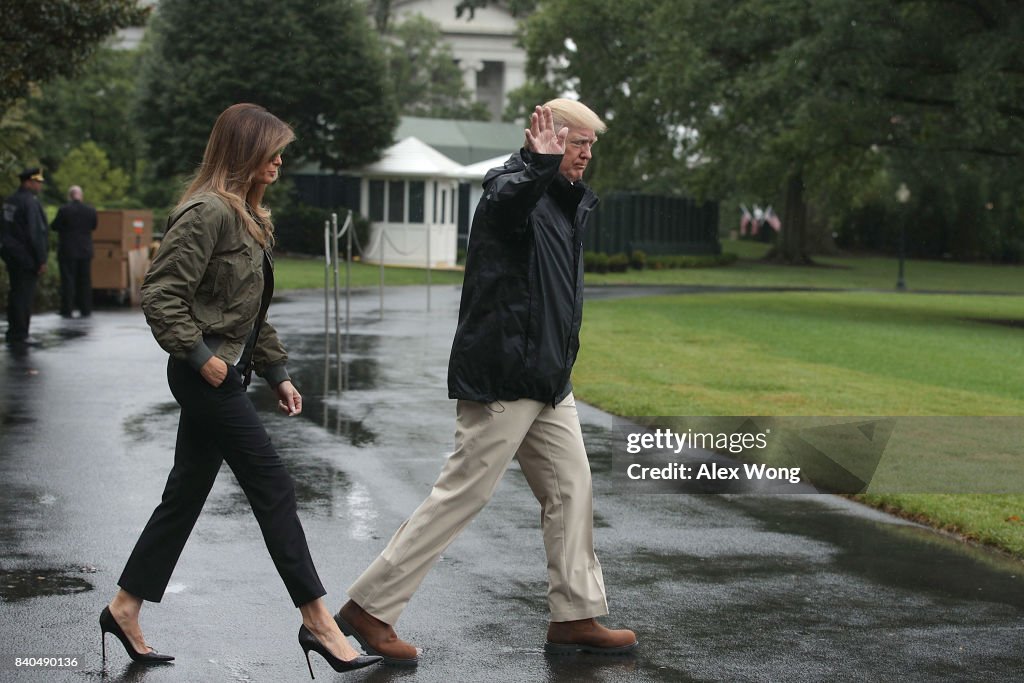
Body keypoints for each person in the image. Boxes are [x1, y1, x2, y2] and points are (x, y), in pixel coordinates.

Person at [334, 100, 638, 665]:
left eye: (591, 145)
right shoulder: (511, 183)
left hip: (549, 381)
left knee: (573, 490)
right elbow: (508, 200)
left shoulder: (568, 203)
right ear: (546, 139)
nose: (586, 154)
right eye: (577, 143)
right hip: (503, 376)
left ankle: (575, 616)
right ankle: (369, 609)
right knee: (462, 495)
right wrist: (538, 165)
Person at [101, 103, 380, 676]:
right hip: (206, 375)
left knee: (184, 495)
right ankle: (319, 622)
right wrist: (204, 362)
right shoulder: (206, 213)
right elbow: (160, 295)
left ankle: (123, 608)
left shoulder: (249, 216)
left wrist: (277, 371)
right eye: (270, 150)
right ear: (242, 153)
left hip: (228, 370)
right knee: (273, 483)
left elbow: (249, 312)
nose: (279, 160)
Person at [1, 167, 48, 346]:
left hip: (11, 254)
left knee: (15, 294)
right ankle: (21, 334)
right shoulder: (30, 202)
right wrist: (41, 259)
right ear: (28, 182)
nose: (39, 186)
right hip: (27, 257)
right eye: (37, 182)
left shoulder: (10, 201)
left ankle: (13, 330)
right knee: (24, 296)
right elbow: (35, 233)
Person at [51, 185, 97, 318]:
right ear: (81, 196)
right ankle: (86, 309)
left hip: (68, 250)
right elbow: (94, 226)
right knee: (85, 281)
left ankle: (67, 309)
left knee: (68, 281)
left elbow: (55, 226)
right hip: (85, 250)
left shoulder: (64, 210)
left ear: (70, 196)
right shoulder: (90, 210)